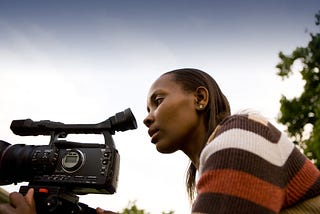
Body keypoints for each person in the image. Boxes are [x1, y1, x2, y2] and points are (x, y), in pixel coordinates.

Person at [1, 68, 320, 214]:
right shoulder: (213, 160)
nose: (148, 117)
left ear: (200, 98)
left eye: (159, 101)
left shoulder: (239, 136)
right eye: (147, 108)